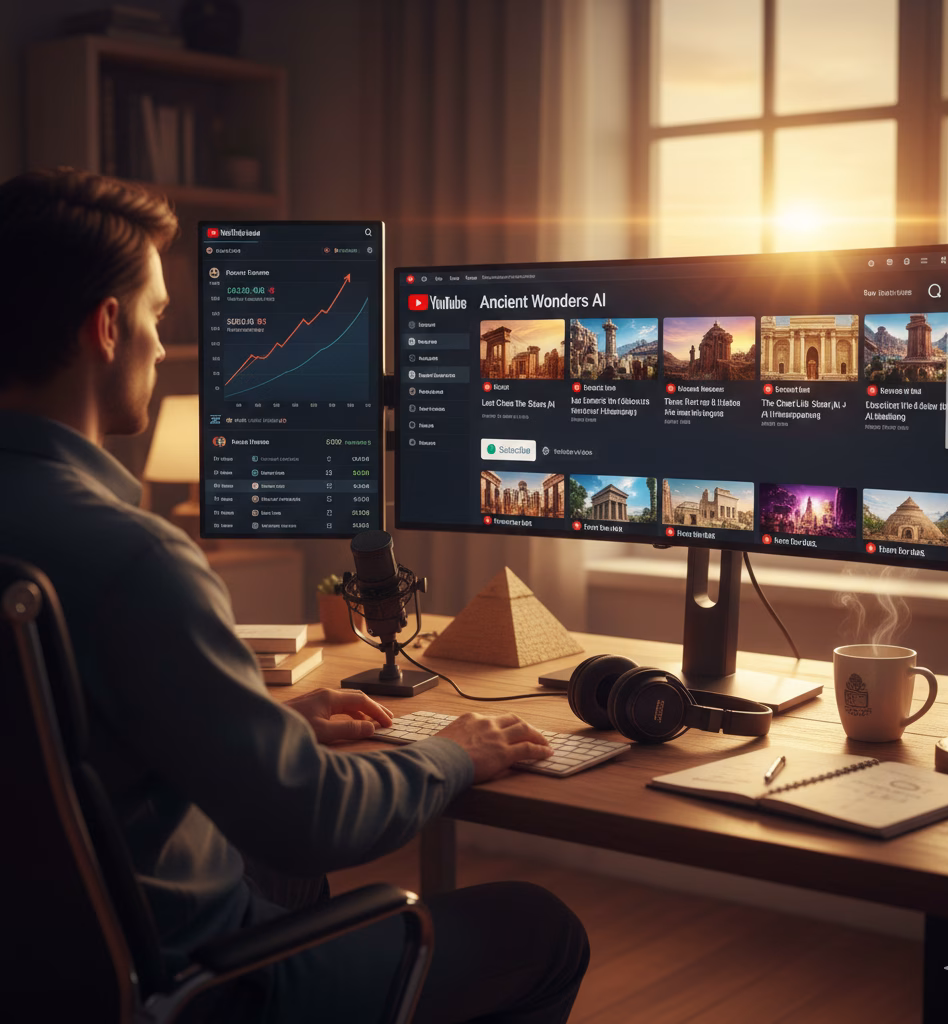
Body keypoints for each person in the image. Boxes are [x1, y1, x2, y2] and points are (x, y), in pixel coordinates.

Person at [0, 168, 589, 1023]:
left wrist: (260, 725)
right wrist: (457, 750)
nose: (165, 347)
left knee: (282, 876)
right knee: (540, 928)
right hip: (181, 978)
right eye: (160, 316)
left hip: (33, 966)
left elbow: (61, 739)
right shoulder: (134, 558)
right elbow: (310, 818)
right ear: (108, 324)